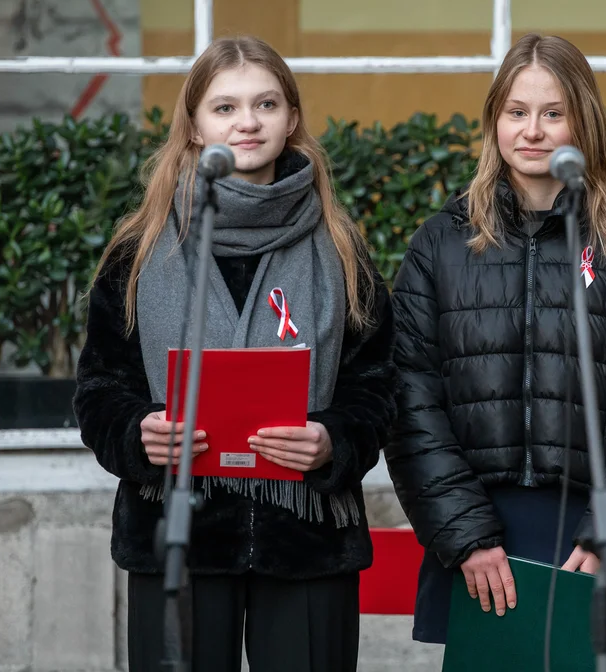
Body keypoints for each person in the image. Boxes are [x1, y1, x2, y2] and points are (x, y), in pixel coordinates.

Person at [73, 35, 397, 672]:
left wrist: (335, 439)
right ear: (193, 127)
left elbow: (380, 387)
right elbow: (98, 392)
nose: (247, 122)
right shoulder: (138, 255)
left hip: (308, 540)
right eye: (224, 108)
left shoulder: (341, 250)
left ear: (292, 118)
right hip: (177, 535)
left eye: (266, 104)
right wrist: (139, 434)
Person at [383, 32, 606, 670]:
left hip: (598, 532)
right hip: (479, 537)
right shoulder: (440, 244)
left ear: (585, 121)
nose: (533, 130)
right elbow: (410, 401)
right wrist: (465, 535)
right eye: (516, 112)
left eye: (553, 113)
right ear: (494, 118)